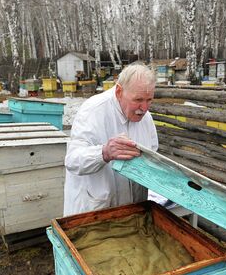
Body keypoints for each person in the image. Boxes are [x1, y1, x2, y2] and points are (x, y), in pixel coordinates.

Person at [63, 64, 158, 216]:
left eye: (149, 100)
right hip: (94, 212)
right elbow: (73, 161)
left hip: (133, 211)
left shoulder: (146, 118)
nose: (145, 108)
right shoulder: (93, 111)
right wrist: (104, 153)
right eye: (138, 99)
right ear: (119, 91)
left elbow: (152, 152)